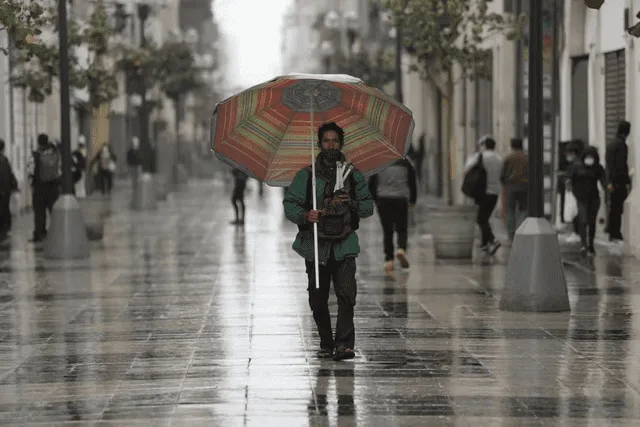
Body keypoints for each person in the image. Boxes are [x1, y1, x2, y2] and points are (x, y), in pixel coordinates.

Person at [283, 122, 374, 361]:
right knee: (317, 296)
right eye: (326, 141)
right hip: (316, 246)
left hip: (344, 246)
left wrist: (350, 203)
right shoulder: (306, 175)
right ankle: (326, 342)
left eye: (335, 141)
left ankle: (344, 345)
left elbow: (367, 207)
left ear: (341, 143)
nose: (331, 145)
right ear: (319, 143)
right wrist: (306, 215)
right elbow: (290, 204)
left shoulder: (352, 175)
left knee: (346, 294)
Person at [368, 158, 417, 275]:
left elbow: (371, 183)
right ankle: (401, 249)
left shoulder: (378, 162)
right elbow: (412, 182)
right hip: (401, 198)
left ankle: (389, 260)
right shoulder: (406, 162)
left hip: (383, 199)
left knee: (387, 230)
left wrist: (375, 198)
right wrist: (413, 200)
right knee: (402, 228)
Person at [464, 136, 502, 254]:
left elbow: (467, 168)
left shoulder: (479, 157)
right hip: (495, 193)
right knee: (485, 218)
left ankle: (493, 240)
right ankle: (484, 245)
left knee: (480, 219)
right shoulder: (498, 158)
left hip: (482, 192)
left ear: (484, 145)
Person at [567, 145, 605, 255]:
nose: (589, 159)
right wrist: (568, 183)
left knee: (592, 222)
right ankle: (583, 244)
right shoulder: (577, 167)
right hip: (581, 198)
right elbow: (569, 177)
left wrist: (607, 185)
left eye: (591, 156)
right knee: (583, 220)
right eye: (587, 156)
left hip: (594, 198)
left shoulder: (598, 168)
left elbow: (603, 179)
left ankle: (591, 244)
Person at [27, 133, 60, 243]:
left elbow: (30, 170)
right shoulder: (54, 151)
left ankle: (39, 234)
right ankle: (57, 232)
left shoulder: (36, 154)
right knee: (53, 211)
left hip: (40, 187)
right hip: (53, 186)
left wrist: (31, 183)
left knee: (39, 212)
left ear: (38, 142)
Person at [605, 120, 631, 244]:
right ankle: (615, 233)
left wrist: (609, 181)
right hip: (619, 181)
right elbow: (621, 165)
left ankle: (611, 231)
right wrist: (627, 179)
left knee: (613, 207)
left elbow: (609, 165)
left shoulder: (611, 144)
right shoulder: (622, 145)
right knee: (617, 208)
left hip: (611, 181)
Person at [500, 138, 528, 241]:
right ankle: (523, 229)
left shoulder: (508, 158)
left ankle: (511, 233)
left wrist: (505, 183)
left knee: (510, 210)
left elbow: (502, 174)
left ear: (512, 146)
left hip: (511, 186)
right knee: (524, 209)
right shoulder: (526, 158)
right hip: (525, 186)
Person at [0, 139, 18, 240]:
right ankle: (4, 230)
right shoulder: (4, 159)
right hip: (4, 191)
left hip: (3, 190)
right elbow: (7, 175)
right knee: (4, 210)